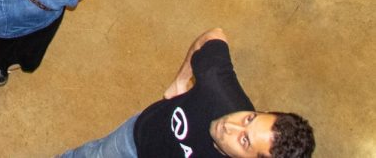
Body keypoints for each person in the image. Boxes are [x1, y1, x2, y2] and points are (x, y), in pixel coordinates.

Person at [58, 28, 315, 158]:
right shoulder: (219, 88)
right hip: (133, 141)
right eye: (250, 118)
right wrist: (181, 80)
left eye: (245, 140)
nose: (230, 126)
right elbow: (214, 35)